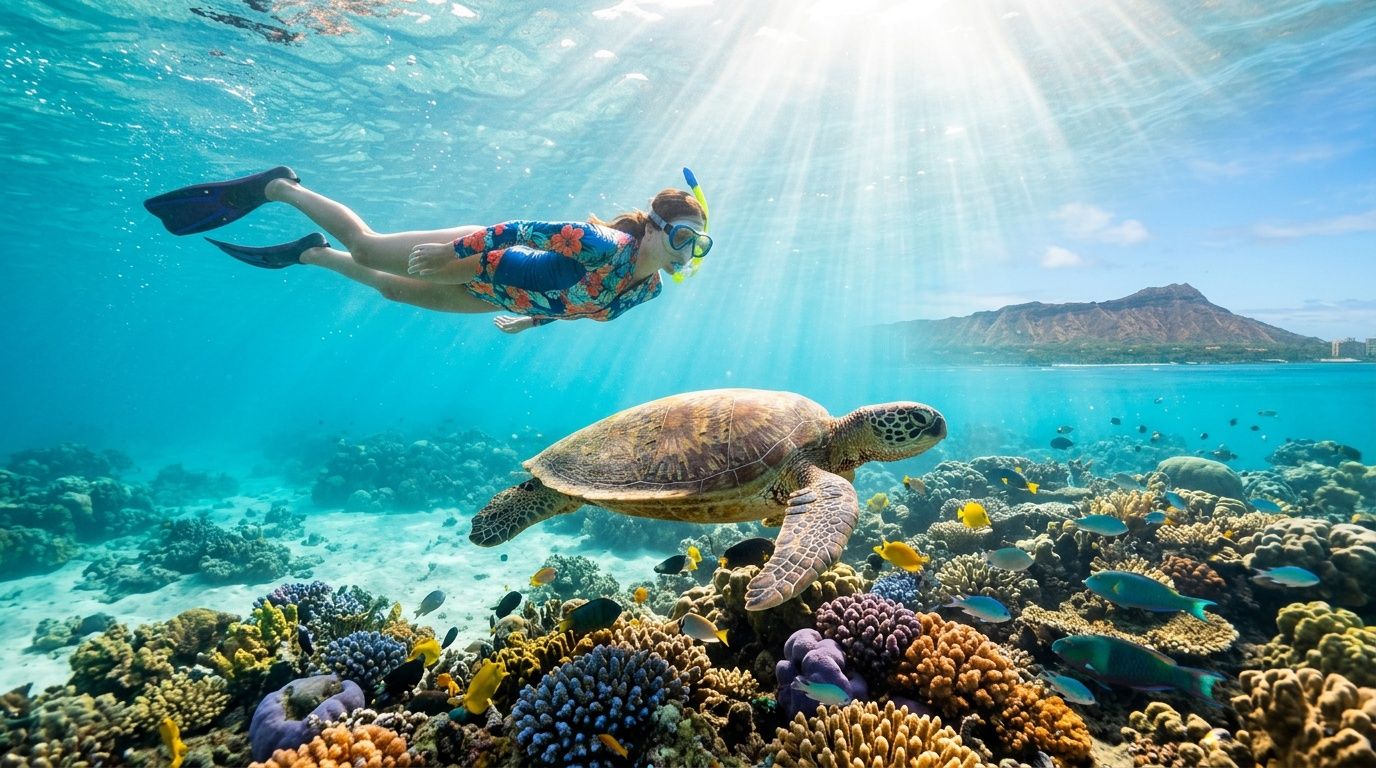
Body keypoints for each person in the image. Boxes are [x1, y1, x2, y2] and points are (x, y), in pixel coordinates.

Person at [143, 166, 712, 334]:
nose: (689, 252)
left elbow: (583, 302)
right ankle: (279, 187)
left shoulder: (649, 290)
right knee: (367, 250)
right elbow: (516, 228)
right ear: (656, 229)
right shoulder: (602, 244)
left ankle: (309, 253)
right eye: (684, 237)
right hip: (476, 258)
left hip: (497, 295)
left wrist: (532, 321)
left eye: (699, 244)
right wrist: (449, 256)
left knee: (390, 289)